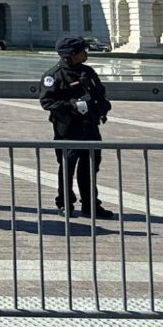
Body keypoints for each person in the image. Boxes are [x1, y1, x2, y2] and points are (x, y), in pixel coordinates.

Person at [40, 36, 115, 220]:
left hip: (90, 128)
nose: (86, 53)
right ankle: (65, 203)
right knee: (67, 168)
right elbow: (47, 101)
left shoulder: (88, 72)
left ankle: (91, 204)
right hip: (68, 130)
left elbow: (99, 93)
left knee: (90, 167)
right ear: (70, 55)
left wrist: (102, 106)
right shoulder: (54, 75)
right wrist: (72, 106)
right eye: (82, 51)